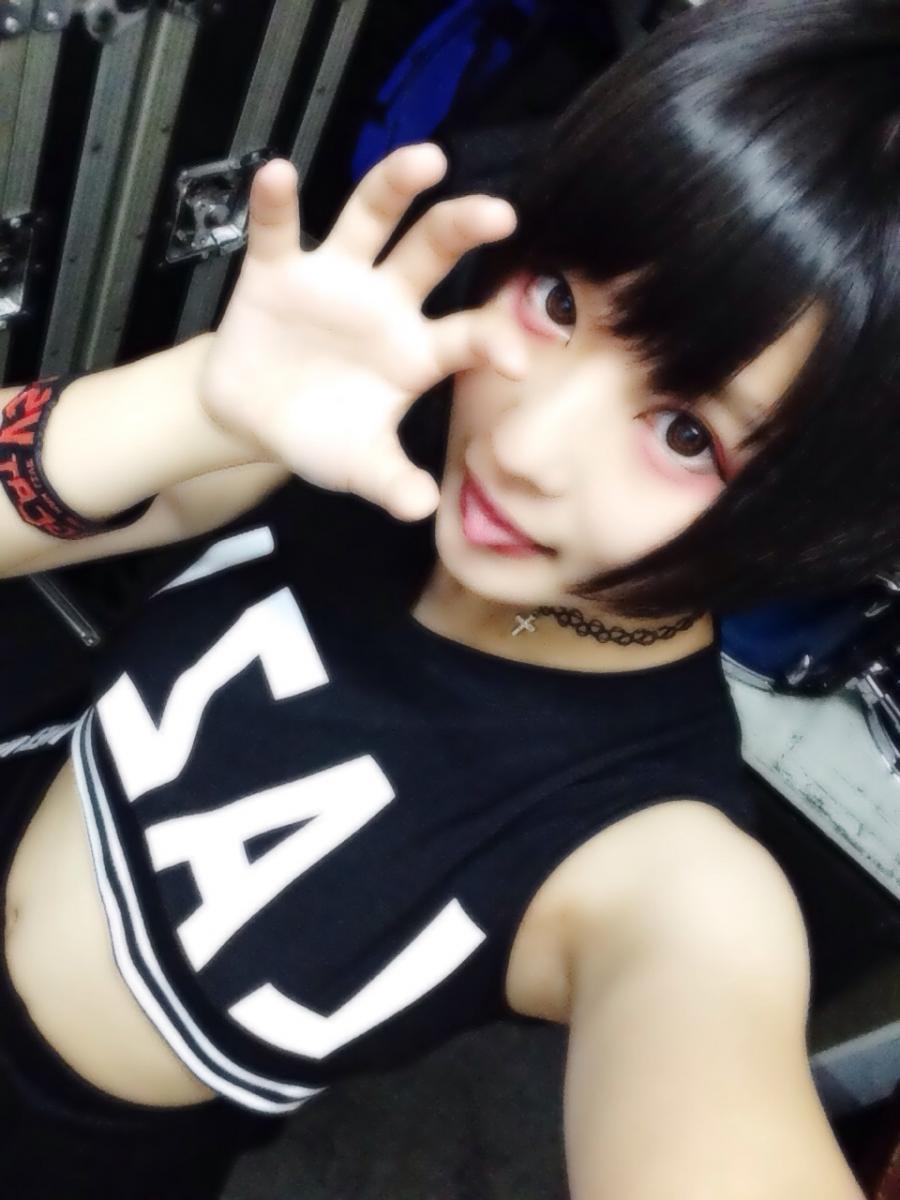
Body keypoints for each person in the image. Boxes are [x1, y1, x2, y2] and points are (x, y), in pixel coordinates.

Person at [0, 0, 895, 1195]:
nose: (522, 445)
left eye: (689, 434)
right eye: (560, 301)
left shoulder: (661, 864)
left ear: (809, 524)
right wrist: (201, 402)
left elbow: (709, 1058)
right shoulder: (378, 423)